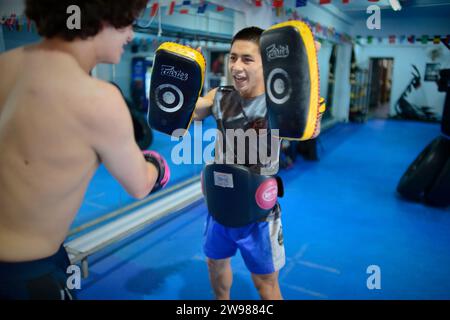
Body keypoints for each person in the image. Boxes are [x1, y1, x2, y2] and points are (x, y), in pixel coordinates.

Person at [0, 0, 170, 300]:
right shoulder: (98, 100)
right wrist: (157, 166)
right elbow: (140, 184)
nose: (130, 35)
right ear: (104, 18)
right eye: (127, 22)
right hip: (26, 275)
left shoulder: (5, 64)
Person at [194, 27, 284, 300]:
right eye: (233, 58)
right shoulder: (220, 95)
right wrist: (183, 78)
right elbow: (190, 112)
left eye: (247, 59)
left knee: (265, 283)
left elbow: (308, 128)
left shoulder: (278, 102)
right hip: (219, 201)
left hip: (258, 210)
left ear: (265, 64)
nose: (236, 66)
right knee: (215, 263)